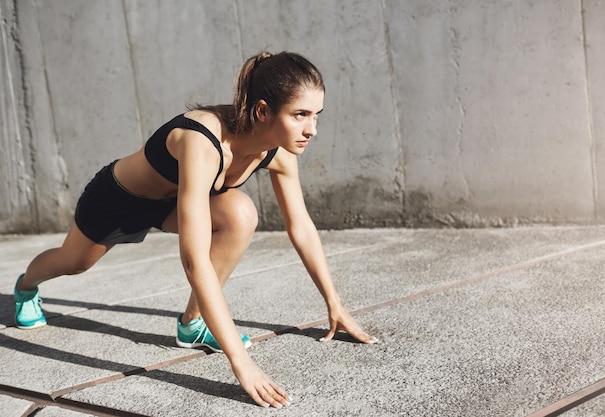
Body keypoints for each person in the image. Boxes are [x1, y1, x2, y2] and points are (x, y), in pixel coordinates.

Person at [13, 51, 378, 408]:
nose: (311, 129)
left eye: (316, 115)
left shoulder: (278, 151)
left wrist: (335, 304)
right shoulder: (203, 141)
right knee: (74, 262)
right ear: (263, 110)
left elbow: (301, 226)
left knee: (239, 214)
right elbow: (194, 260)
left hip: (174, 202)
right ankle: (26, 286)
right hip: (119, 199)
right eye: (300, 115)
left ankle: (192, 324)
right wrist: (242, 363)